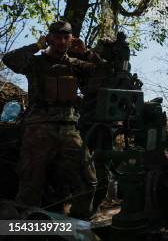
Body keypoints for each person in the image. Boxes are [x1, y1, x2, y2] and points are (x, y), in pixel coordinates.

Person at [1, 21, 98, 219]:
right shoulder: (35, 63)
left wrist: (86, 52)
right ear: (49, 38)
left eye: (66, 37)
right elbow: (9, 59)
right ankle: (25, 234)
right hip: (38, 129)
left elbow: (105, 72)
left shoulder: (75, 64)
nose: (62, 41)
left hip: (69, 129)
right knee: (30, 185)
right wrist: (36, 46)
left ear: (72, 39)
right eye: (57, 37)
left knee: (88, 181)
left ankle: (77, 227)